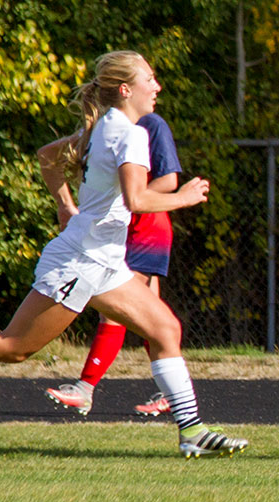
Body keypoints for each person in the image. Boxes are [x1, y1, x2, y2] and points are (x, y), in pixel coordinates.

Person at [0, 50, 248, 459]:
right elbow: (136, 199)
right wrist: (184, 198)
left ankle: (191, 431)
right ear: (125, 89)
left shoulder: (105, 126)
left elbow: (47, 157)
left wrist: (66, 206)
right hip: (80, 262)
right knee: (15, 347)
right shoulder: (130, 133)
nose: (157, 87)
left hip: (103, 262)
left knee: (165, 330)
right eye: (150, 79)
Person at [43, 112, 181, 417]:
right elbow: (47, 156)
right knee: (152, 319)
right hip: (116, 231)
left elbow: (169, 181)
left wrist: (129, 199)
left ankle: (85, 388)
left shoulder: (149, 124)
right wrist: (66, 203)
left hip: (146, 231)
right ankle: (174, 393)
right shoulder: (103, 128)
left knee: (116, 313)